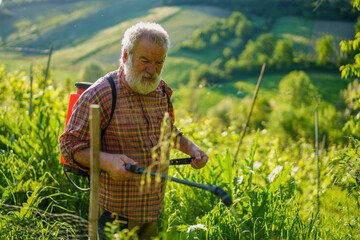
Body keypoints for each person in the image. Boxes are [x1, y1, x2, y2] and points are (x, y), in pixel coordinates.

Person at [59, 21, 208, 239]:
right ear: (125, 56)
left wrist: (192, 149)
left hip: (152, 210)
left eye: (159, 62)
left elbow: (167, 131)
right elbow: (69, 146)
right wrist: (108, 161)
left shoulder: (161, 91)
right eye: (145, 61)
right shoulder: (101, 94)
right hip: (113, 214)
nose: (152, 70)